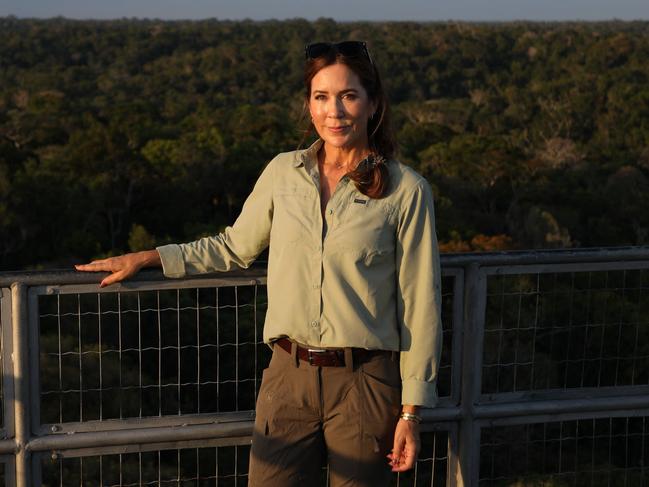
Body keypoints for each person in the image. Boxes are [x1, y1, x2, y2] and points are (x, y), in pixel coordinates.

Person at [76, 40, 442, 487]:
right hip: (288, 377)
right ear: (309, 105)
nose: (335, 111)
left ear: (373, 104)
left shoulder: (406, 191)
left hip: (366, 383)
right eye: (321, 97)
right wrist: (150, 257)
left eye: (349, 96)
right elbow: (233, 247)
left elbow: (421, 306)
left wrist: (411, 412)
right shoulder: (282, 173)